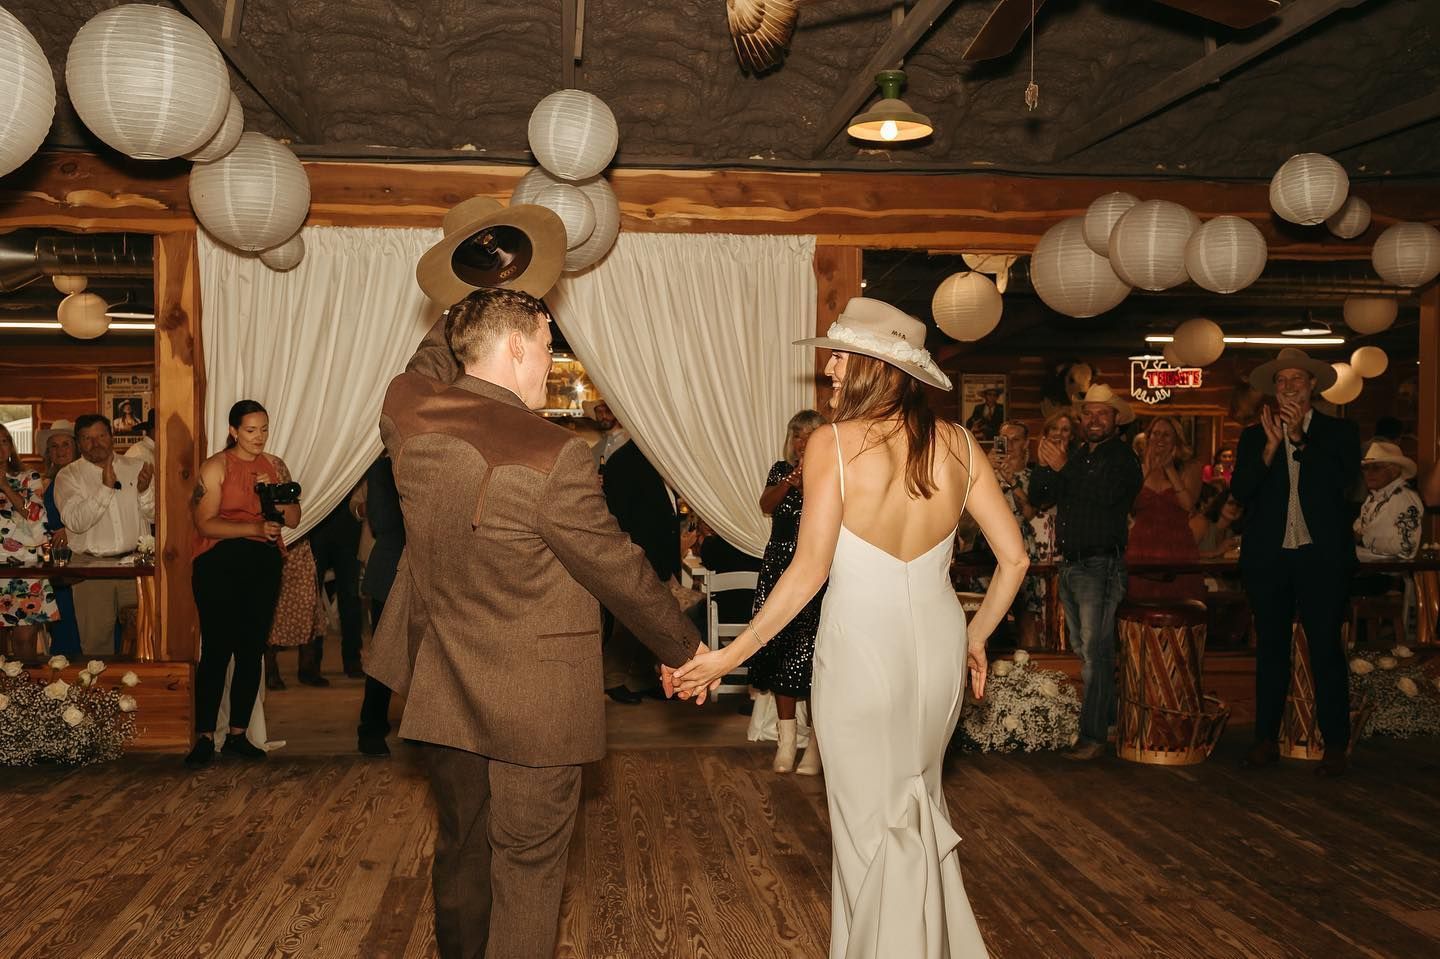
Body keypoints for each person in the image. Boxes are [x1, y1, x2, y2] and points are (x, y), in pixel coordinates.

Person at [675, 297, 1027, 957]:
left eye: (840, 355)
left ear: (878, 367)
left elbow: (807, 571)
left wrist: (732, 655)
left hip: (862, 648)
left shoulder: (830, 444)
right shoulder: (958, 443)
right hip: (939, 645)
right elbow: (1016, 558)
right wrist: (976, 636)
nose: (829, 367)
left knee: (868, 826)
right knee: (918, 805)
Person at [367, 288, 706, 959]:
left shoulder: (405, 412)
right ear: (518, 344)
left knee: (462, 842)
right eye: (549, 344)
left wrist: (478, 281)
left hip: (442, 682)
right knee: (526, 866)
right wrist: (685, 648)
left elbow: (430, 359)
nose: (552, 361)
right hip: (535, 701)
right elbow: (619, 569)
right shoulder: (552, 453)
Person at [1231, 348, 1360, 778]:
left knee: (1325, 650)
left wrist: (1301, 441)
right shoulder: (1254, 437)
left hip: (1321, 559)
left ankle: (1336, 744)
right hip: (1270, 560)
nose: (1288, 388)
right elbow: (1242, 493)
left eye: (1296, 382)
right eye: (1281, 383)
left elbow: (1343, 488)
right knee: (1270, 651)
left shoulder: (1339, 433)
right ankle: (1265, 739)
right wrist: (1270, 449)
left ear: (1312, 388)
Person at [1029, 383, 1143, 761]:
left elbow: (1106, 497)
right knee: (1086, 649)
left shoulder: (1123, 459)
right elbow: (1042, 495)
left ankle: (1093, 737)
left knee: (1094, 653)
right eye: (1088, 413)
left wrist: (1064, 468)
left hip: (1101, 564)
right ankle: (1108, 723)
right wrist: (1045, 465)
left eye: (1102, 414)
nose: (1093, 419)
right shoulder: (1077, 457)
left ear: (1115, 420)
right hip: (1073, 562)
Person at [184, 400, 299, 768]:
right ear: (234, 431)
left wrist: (273, 496)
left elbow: (294, 518)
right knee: (218, 648)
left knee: (252, 649)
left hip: (262, 562)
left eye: (264, 429)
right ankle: (204, 736)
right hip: (218, 561)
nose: (259, 437)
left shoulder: (274, 466)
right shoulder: (216, 467)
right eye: (251, 430)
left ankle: (238, 735)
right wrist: (252, 527)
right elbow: (204, 524)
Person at [748, 408, 828, 774]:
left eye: (808, 435)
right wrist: (790, 481)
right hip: (778, 567)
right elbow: (766, 505)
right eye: (797, 435)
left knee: (811, 658)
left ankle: (814, 745)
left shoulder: (829, 476)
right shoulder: (781, 471)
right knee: (780, 651)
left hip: (813, 569)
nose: (801, 442)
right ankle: (785, 744)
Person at [53, 415, 155, 655]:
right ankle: (101, 693)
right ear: (78, 443)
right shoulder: (68, 476)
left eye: (100, 436)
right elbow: (76, 522)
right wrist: (106, 487)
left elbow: (152, 515)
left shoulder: (136, 466)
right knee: (96, 646)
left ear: (111, 437)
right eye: (87, 438)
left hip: (135, 567)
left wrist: (144, 491)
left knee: (144, 641)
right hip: (91, 572)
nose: (95, 443)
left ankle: (140, 692)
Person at [1127, 415, 1204, 602]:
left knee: (1180, 603)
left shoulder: (1190, 467)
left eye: (1166, 435)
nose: (1159, 439)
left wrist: (1169, 469)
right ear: (1148, 437)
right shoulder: (1135, 467)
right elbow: (1128, 505)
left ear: (1176, 440)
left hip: (1177, 546)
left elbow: (1188, 505)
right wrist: (1147, 469)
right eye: (1156, 434)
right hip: (1142, 547)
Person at [357, 453, 403, 756]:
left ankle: (423, 728)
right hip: (390, 568)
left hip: (430, 570)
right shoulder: (383, 468)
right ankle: (371, 728)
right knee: (385, 654)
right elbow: (383, 521)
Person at [1, 424, 59, 658]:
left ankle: (27, 692)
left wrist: (4, 486)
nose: (0, 447)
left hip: (25, 569)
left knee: (25, 642)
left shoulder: (28, 477)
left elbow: (34, 514)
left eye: (4, 441)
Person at [1352, 441, 1423, 599]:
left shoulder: (1404, 498)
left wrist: (1363, 538)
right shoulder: (1373, 497)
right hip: (1366, 571)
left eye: (1376, 468)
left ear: (1395, 471)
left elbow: (1406, 548)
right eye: (1365, 468)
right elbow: (1356, 529)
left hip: (1386, 577)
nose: (1368, 473)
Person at [37, 420, 82, 657]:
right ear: (49, 453)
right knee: (61, 614)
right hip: (56, 558)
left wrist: (69, 529)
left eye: (66, 444)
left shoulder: (85, 477)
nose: (61, 450)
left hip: (80, 556)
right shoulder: (45, 483)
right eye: (54, 446)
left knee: (83, 617)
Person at [309, 493, 365, 679]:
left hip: (347, 527)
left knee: (350, 597)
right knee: (311, 597)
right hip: (317, 524)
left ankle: (352, 658)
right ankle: (311, 661)